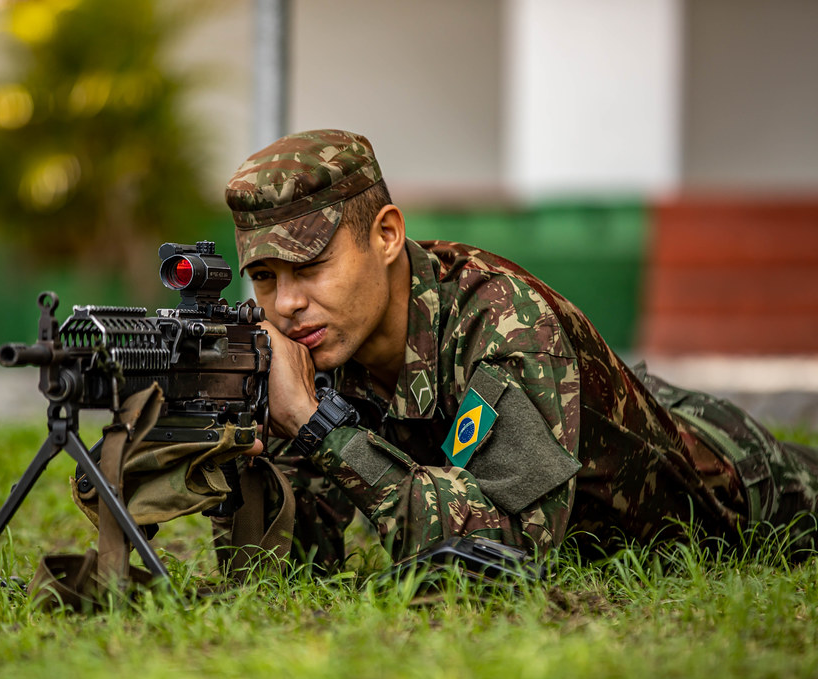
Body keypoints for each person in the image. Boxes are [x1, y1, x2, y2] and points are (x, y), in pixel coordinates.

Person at [221, 128, 818, 568]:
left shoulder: (505, 324)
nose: (287, 303)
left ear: (386, 235)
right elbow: (293, 560)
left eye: (311, 267)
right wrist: (236, 452)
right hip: (584, 419)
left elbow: (502, 549)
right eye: (267, 276)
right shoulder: (314, 341)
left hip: (734, 482)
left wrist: (318, 427)